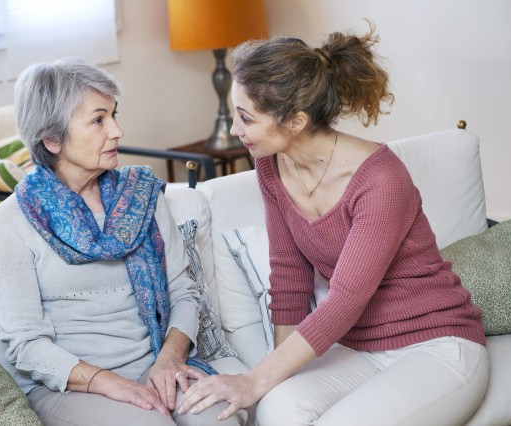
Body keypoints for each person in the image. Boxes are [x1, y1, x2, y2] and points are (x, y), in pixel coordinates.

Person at [178, 25, 489, 426]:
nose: (236, 130)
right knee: (277, 408)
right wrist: (276, 378)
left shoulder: (381, 179)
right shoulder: (271, 165)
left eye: (246, 118)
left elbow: (345, 299)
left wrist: (254, 381)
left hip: (437, 345)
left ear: (295, 121)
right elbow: (289, 276)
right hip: (359, 347)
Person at [0, 57, 246, 426]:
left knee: (219, 417)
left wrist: (169, 360)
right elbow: (26, 346)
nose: (118, 131)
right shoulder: (11, 222)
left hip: (156, 360)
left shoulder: (139, 196)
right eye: (98, 120)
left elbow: (184, 292)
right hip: (71, 385)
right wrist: (111, 384)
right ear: (52, 138)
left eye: (114, 115)